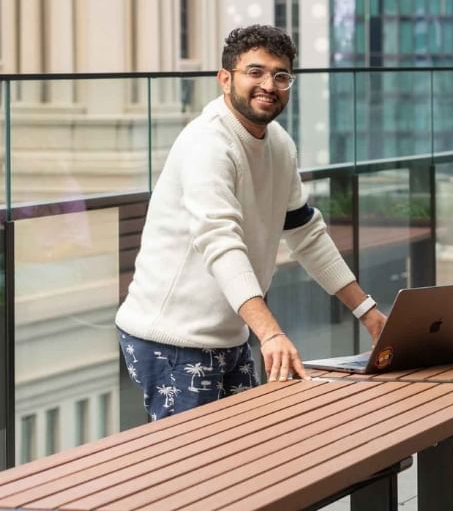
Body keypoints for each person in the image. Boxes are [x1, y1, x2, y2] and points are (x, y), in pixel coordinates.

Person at [115, 25, 388, 420]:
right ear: (225, 79)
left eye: (280, 75)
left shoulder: (279, 143)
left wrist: (368, 311)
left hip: (232, 334)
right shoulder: (208, 144)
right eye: (255, 72)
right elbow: (220, 242)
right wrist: (272, 333)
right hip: (172, 338)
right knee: (193, 472)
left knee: (241, 462)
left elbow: (306, 232)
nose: (269, 85)